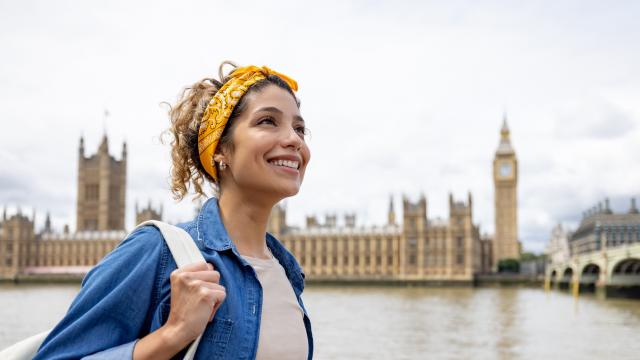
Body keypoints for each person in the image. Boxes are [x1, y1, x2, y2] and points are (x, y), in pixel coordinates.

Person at [34, 62, 313, 360]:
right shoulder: (158, 250)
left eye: (300, 128)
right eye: (268, 121)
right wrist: (173, 334)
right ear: (220, 149)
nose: (294, 139)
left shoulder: (287, 273)